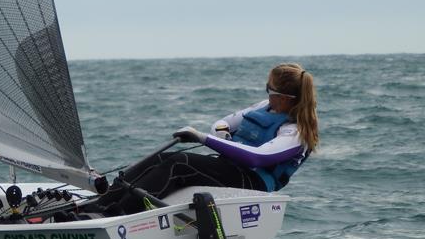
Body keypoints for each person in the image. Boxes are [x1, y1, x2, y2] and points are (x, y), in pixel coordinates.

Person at [89, 63, 319, 215]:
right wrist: (223, 135)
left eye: (269, 89)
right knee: (163, 158)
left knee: (179, 165)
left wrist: (202, 138)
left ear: (284, 97)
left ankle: (114, 215)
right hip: (230, 167)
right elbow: (223, 123)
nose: (267, 93)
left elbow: (257, 159)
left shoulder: (297, 132)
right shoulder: (265, 107)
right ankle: (101, 203)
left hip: (254, 182)